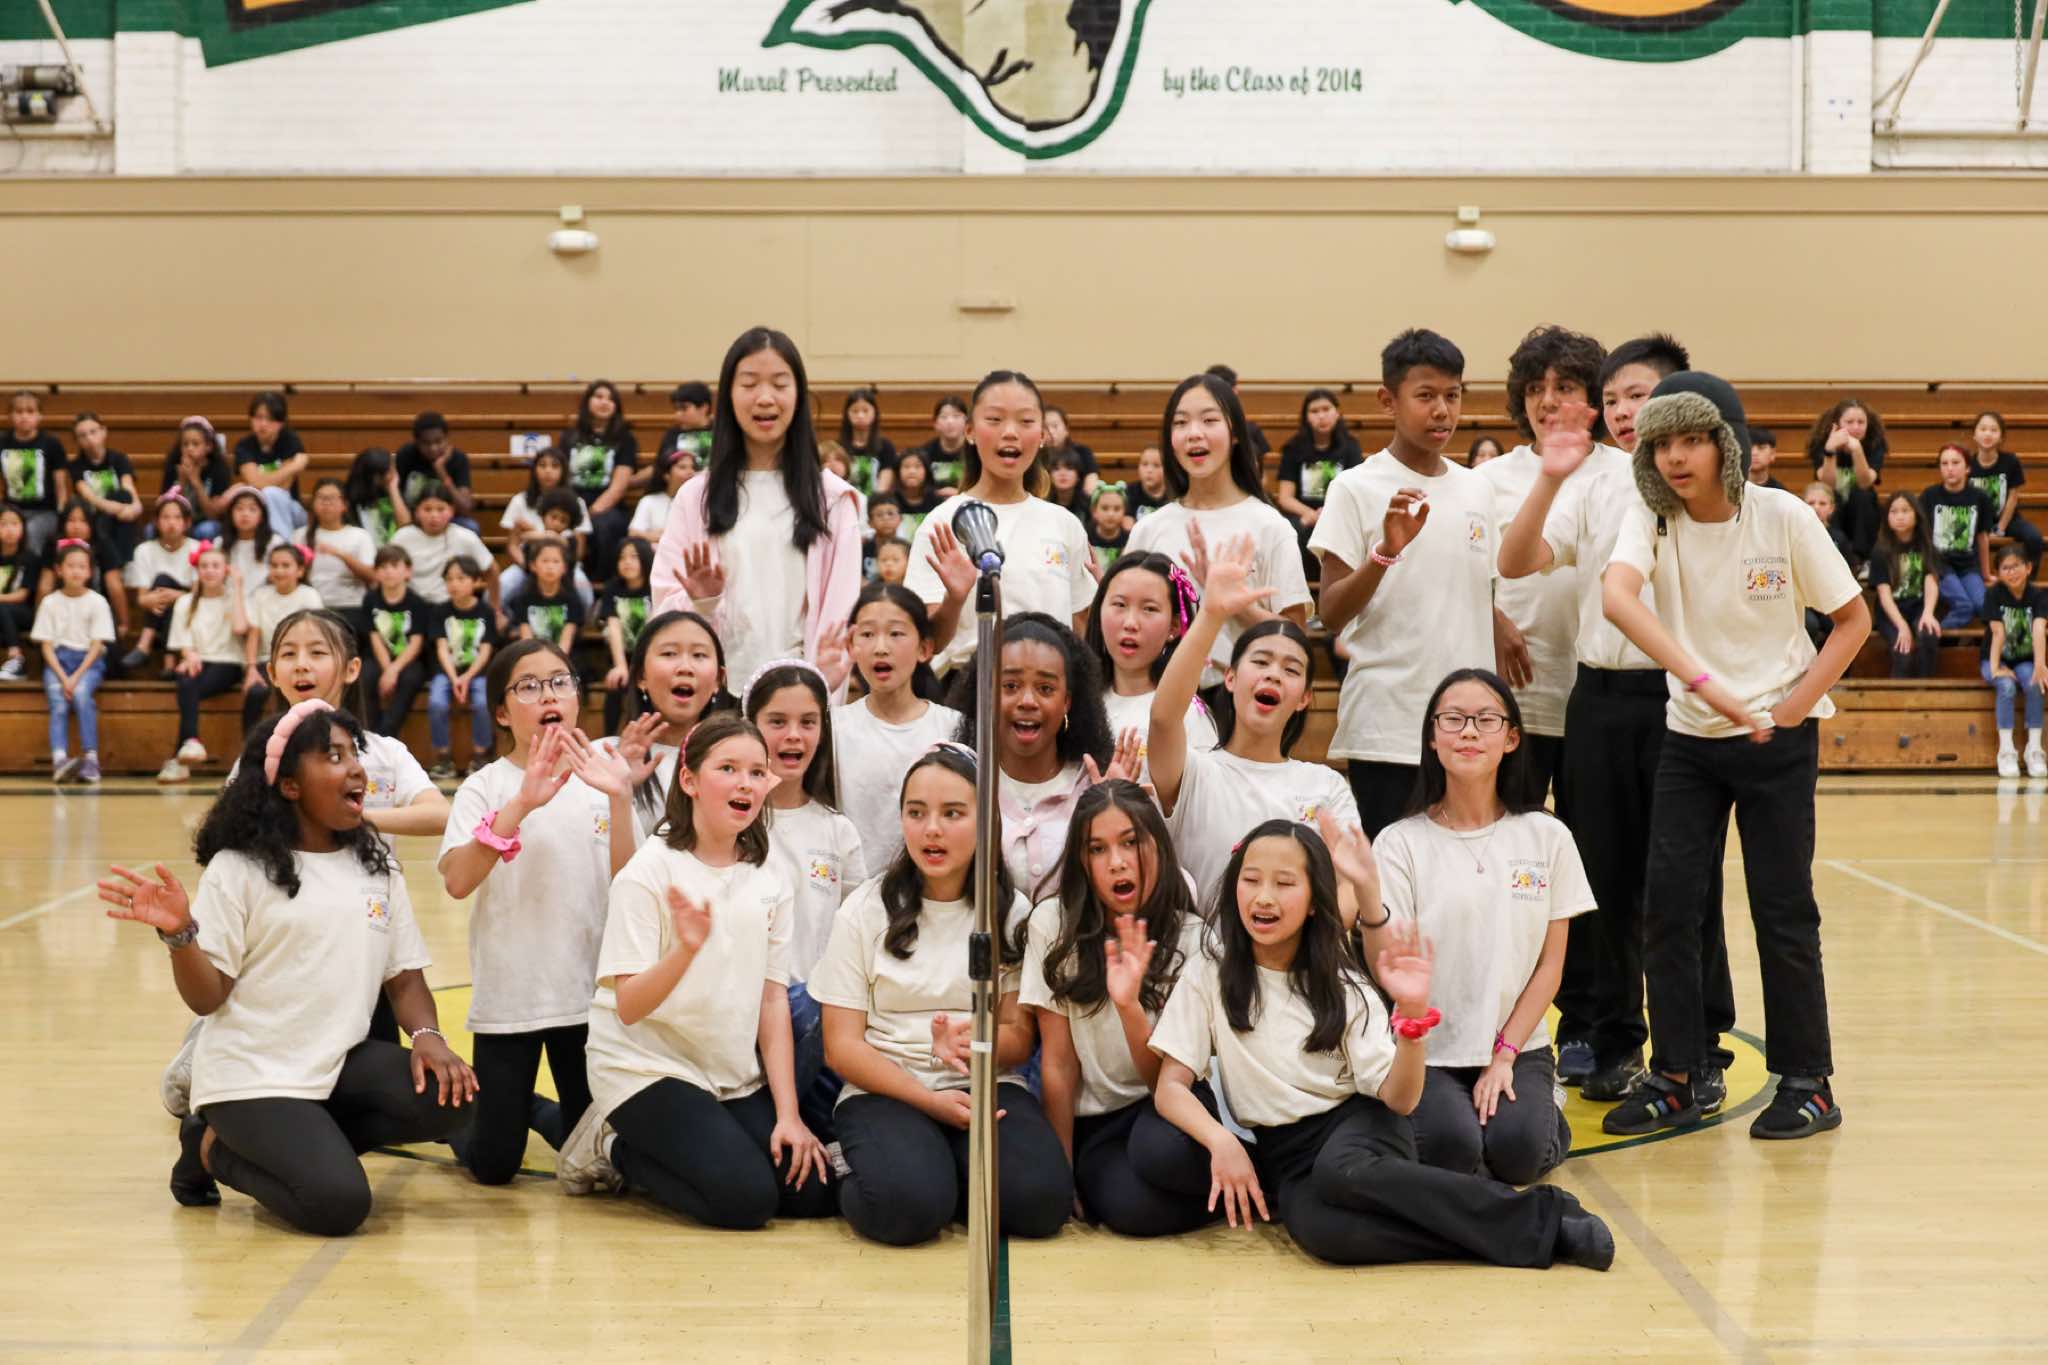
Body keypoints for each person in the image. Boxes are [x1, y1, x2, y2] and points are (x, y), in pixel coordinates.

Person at [1148, 819, 1613, 1270]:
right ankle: (1507, 1231)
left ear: (1314, 903)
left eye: (1284, 883)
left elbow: (1401, 1099)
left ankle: (1544, 1217)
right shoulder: (1209, 971)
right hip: (1285, 1152)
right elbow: (1170, 1087)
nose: (1264, 896)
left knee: (1340, 1169)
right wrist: (1220, 1140)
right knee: (1322, 1234)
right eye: (1251, 880)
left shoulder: (1340, 981)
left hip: (1360, 1124)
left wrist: (1411, 1021)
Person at [1601, 372, 1867, 1141]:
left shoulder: (1783, 515)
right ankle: (1677, 1076)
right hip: (1691, 738)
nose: (1676, 457)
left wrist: (1792, 707)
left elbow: (1851, 620)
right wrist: (1704, 685)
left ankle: (1809, 1082)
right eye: (1663, 442)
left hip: (1777, 741)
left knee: (1783, 909)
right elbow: (1618, 596)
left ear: (1727, 444)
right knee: (1668, 907)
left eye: (1692, 439)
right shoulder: (1652, 517)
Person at [99, 703, 475, 1234]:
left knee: (452, 1096)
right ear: (291, 786)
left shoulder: (374, 863)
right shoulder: (238, 868)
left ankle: (304, 1144)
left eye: (354, 754)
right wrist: (180, 934)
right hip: (251, 1076)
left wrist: (430, 1038)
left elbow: (405, 978)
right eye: (334, 757)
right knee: (339, 1204)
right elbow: (208, 997)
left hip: (335, 1062)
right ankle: (210, 1148)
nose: (356, 768)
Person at [1496, 332, 1737, 1103]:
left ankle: (1698, 1043)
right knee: (1599, 873)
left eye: (1640, 396)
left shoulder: (1709, 488)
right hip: (1597, 697)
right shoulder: (1592, 484)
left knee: (1682, 879)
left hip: (1679, 698)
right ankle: (1610, 1036)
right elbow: (1515, 560)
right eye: (1612, 400)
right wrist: (1548, 477)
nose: (1624, 411)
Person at [556, 714, 836, 1225]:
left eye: (756, 772)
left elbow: (772, 1000)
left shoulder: (771, 875)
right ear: (689, 780)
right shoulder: (648, 871)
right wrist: (685, 951)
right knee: (746, 1200)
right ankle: (609, 1144)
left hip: (728, 1073)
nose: (745, 783)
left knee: (810, 1191)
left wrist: (789, 1116)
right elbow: (629, 1006)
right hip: (644, 1067)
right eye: (728, 769)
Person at [808, 744, 1072, 1245]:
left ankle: (937, 1163)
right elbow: (840, 1047)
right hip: (888, 1088)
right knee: (907, 1209)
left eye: (952, 814)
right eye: (917, 813)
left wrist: (974, 1039)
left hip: (985, 1086)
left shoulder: (1011, 912)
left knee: (1040, 1204)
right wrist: (929, 1102)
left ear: (985, 822)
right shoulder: (864, 910)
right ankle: (866, 1163)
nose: (932, 829)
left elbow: (1020, 1038)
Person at [1351, 670, 1592, 1185]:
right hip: (1428, 1049)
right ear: (1432, 738)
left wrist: (1505, 1055)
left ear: (1511, 738)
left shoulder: (1547, 835)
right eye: (1453, 719)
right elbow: (1385, 962)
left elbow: (1551, 967)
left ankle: (1544, 1106)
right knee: (1451, 1152)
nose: (1468, 731)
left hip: (1517, 1044)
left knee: (1519, 1154)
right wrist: (1367, 900)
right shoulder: (1399, 842)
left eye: (1485, 720)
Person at [439, 640, 635, 1185]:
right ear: (502, 713)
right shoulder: (484, 786)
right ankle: (452, 1114)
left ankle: (530, 1107)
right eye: (528, 686)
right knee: (493, 1166)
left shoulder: (605, 778)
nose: (548, 695)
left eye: (559, 682)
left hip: (588, 998)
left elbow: (630, 885)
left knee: (592, 1160)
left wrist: (621, 799)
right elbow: (457, 880)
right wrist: (522, 804)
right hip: (512, 997)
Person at [1310, 329, 1502, 835]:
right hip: (1388, 725)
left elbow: (1477, 591)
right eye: (1426, 396)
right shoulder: (1354, 487)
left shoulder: (1478, 489)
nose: (1442, 410)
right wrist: (1385, 553)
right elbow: (1331, 611)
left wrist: (1501, 631)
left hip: (1469, 726)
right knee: (1390, 874)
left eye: (1452, 395)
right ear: (1387, 400)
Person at [1023, 780, 1217, 1236]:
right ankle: (1236, 1190)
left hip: (1172, 1100)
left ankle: (1244, 1171)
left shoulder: (1193, 938)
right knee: (1131, 1211)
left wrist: (1129, 1008)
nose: (1117, 862)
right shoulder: (1053, 925)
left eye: (1130, 842)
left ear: (1158, 847)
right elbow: (1059, 1063)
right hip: (1098, 1121)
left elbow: (1163, 1083)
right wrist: (1062, 1169)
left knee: (1162, 1154)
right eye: (1098, 849)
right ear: (1082, 862)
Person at [651, 327, 864, 690]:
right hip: (715, 696)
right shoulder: (695, 498)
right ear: (728, 395)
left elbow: (839, 620)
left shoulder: (832, 499)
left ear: (798, 395)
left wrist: (817, 696)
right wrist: (701, 601)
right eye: (749, 384)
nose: (765, 398)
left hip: (800, 697)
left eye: (779, 384)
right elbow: (664, 610)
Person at [1149, 536, 1357, 904]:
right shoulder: (1194, 771)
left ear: (1304, 698)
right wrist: (1212, 614)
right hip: (1203, 941)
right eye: (1260, 662)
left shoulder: (1326, 785)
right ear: (1230, 678)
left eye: (1291, 669)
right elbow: (1164, 718)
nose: (1273, 674)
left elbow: (1349, 889)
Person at [1481, 324, 1609, 806]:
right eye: (1535, 388)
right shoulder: (1488, 479)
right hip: (1521, 694)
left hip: (1599, 699)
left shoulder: (1624, 475)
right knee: (1512, 831)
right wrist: (1490, 618)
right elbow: (1457, 573)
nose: (1548, 401)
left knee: (1592, 839)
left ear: (1593, 398)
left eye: (1565, 387)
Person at [901, 370, 1094, 676]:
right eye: (994, 419)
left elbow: (1082, 627)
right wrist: (955, 599)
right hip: (968, 684)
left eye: (1026, 421)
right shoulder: (942, 523)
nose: (1010, 432)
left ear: (1042, 435)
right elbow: (928, 643)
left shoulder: (1064, 524)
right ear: (970, 431)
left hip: (1050, 686)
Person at [745, 661, 867, 1139]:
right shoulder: (732, 819)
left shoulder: (837, 829)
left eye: (808, 722)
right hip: (744, 1009)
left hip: (815, 1021)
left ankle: (783, 1127)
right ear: (751, 725)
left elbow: (857, 933)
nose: (793, 735)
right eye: (777, 721)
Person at [1126, 372, 1311, 686]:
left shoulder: (1270, 526)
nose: (1194, 433)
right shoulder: (1149, 529)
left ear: (1235, 433)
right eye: (1180, 423)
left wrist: (1239, 606)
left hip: (1240, 699)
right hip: (1159, 696)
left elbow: (1296, 638)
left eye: (1209, 420)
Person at [946, 611, 1128, 899]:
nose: (1028, 701)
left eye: (1045, 689)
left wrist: (1121, 811)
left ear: (1067, 702)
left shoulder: (1096, 783)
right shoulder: (961, 783)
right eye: (1010, 686)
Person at [831, 582, 962, 869]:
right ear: (851, 646)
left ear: (924, 648)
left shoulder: (953, 727)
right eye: (867, 634)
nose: (881, 648)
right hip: (855, 889)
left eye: (896, 634)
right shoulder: (834, 727)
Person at [603, 609, 739, 839]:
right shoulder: (604, 757)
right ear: (641, 676)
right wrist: (622, 786)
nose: (685, 667)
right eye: (669, 653)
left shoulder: (740, 762)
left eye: (699, 655)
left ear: (719, 678)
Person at [1083, 551, 1217, 782]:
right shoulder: (1077, 701)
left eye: (1149, 609)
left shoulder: (1187, 713)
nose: (1130, 623)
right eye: (1119, 604)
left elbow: (1203, 797)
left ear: (1174, 626)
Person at [160, 542, 250, 784]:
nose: (209, 570)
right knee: (186, 680)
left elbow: (240, 628)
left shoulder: (235, 598)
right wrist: (189, 654)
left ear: (226, 570)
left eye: (216, 566)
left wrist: (238, 586)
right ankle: (191, 743)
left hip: (228, 662)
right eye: (204, 566)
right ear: (197, 570)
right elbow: (181, 640)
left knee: (188, 687)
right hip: (198, 661)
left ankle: (180, 757)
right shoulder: (185, 602)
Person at [33, 538, 115, 784]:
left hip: (87, 663)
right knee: (58, 701)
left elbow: (97, 645)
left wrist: (76, 677)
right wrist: (63, 676)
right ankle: (60, 760)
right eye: (70, 566)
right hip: (58, 662)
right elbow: (46, 646)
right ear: (59, 570)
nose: (76, 571)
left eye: (82, 566)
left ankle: (91, 759)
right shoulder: (50, 602)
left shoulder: (98, 602)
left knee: (81, 695)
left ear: (89, 571)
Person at [1275, 388, 1364, 575]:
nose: (1321, 416)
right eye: (1314, 411)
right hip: (1304, 516)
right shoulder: (1293, 448)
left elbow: (1356, 491)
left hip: (1340, 513)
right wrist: (1310, 514)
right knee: (1292, 530)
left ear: (1337, 413)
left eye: (1326, 409)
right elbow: (1285, 497)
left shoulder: (1351, 447)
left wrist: (1329, 513)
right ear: (1306, 417)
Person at [1980, 543, 2048, 778]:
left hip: (2024, 659)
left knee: (2035, 683)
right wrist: (1995, 668)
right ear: (1998, 573)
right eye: (2005, 568)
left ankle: (2034, 750)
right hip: (1994, 657)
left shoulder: (2039, 596)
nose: (2011, 572)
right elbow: (1997, 632)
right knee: (2006, 686)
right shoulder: (1993, 594)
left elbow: (2039, 628)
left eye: (2016, 566)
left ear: (2028, 568)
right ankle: (2007, 751)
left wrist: (2040, 665)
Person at [428, 556, 500, 777]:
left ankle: (480, 755)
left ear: (476, 581)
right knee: (436, 703)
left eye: (461, 578)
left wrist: (467, 677)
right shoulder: (440, 611)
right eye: (449, 579)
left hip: (478, 672)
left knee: (482, 703)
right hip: (447, 672)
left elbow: (486, 651)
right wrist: (455, 678)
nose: (454, 584)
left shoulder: (486, 611)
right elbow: (442, 648)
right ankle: (443, 758)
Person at [559, 379, 637, 580]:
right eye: (599, 397)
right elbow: (561, 476)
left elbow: (619, 486)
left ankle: (602, 584)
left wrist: (591, 512)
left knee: (604, 526)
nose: (604, 402)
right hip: (573, 501)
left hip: (607, 504)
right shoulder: (569, 436)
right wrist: (575, 509)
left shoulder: (625, 439)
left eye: (610, 399)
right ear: (587, 402)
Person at [240, 543, 323, 732]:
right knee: (255, 692)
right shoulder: (260, 595)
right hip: (267, 661)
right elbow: (254, 633)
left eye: (286, 565)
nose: (279, 570)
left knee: (293, 694)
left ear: (300, 570)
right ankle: (250, 745)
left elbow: (315, 635)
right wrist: (251, 669)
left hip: (299, 661)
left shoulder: (309, 596)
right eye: (274, 565)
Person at [500, 447, 595, 610]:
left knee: (585, 593)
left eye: (555, 466)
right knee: (500, 588)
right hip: (526, 564)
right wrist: (529, 566)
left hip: (565, 567)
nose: (548, 471)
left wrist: (557, 567)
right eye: (542, 465)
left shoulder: (577, 503)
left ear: (563, 471)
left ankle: (578, 623)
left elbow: (578, 551)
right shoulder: (519, 501)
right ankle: (509, 622)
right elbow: (513, 545)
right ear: (534, 469)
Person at [123, 491, 200, 674]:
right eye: (165, 517)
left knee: (166, 587)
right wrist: (158, 598)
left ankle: (145, 644)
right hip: (157, 609)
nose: (171, 523)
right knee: (162, 581)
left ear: (187, 522)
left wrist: (179, 596)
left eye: (177, 517)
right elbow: (141, 599)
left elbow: (200, 596)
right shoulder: (144, 550)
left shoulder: (197, 548)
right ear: (156, 522)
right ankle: (168, 661)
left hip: (190, 611)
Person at [1868, 492, 1942, 680]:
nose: (1899, 516)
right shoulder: (1880, 551)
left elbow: (1931, 581)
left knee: (1928, 634)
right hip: (1890, 613)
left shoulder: (1926, 546)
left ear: (1916, 515)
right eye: (1894, 512)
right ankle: (1898, 697)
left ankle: (1926, 689)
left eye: (1905, 511)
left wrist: (1928, 613)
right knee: (1903, 651)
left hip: (1918, 607)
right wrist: (1901, 625)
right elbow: (1884, 594)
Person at [1923, 442, 1998, 628]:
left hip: (1968, 566)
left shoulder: (1980, 497)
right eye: (1944, 463)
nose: (1950, 468)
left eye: (1955, 463)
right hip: (1940, 565)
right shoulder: (1930, 496)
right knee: (1964, 606)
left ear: (1967, 468)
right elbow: (1921, 535)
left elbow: (1982, 537)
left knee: (1983, 606)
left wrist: (1986, 573)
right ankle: (1931, 636)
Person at [363, 544, 432, 736]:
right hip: (379, 657)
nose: (388, 571)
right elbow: (374, 637)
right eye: (383, 567)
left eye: (394, 566)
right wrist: (387, 668)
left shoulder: (417, 603)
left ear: (407, 571)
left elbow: (416, 643)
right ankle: (370, 733)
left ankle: (387, 733)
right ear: (376, 572)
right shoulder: (370, 599)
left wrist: (394, 670)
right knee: (365, 676)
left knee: (411, 678)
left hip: (408, 660)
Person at [1804, 397, 1886, 559]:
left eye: (1861, 422)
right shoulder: (1821, 441)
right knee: (1830, 500)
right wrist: (1830, 450)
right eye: (1849, 422)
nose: (1856, 427)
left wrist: (1857, 450)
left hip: (1861, 508)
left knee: (1863, 495)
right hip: (1834, 503)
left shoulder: (1875, 443)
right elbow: (1827, 484)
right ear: (1837, 424)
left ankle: (1861, 558)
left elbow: (1865, 483)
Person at [389, 483, 493, 610]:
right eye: (427, 509)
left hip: (450, 607)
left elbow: (492, 569)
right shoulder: (402, 537)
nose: (434, 515)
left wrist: (496, 608)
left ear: (451, 511)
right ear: (417, 512)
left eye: (441, 509)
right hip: (411, 607)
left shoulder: (465, 537)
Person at [596, 536, 655, 734]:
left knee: (645, 686)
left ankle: (645, 736)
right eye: (622, 557)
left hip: (649, 656)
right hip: (621, 655)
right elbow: (613, 627)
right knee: (616, 682)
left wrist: (639, 667)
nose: (627, 562)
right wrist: (621, 666)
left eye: (633, 556)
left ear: (645, 558)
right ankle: (608, 737)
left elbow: (653, 630)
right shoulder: (612, 589)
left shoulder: (654, 587)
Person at [296, 479, 378, 617]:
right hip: (311, 606)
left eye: (332, 498)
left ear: (344, 505)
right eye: (321, 498)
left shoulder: (360, 535)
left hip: (351, 606)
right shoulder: (299, 535)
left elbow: (372, 577)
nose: (326, 503)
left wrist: (341, 555)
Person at [4, 388, 71, 555]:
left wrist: (62, 515)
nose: (24, 416)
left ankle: (29, 570)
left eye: (30, 411)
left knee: (31, 531)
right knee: (9, 530)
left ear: (39, 415)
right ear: (10, 416)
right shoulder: (2, 442)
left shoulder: (51, 443)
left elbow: (60, 486)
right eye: (19, 412)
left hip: (45, 511)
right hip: (11, 510)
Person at [1968, 411, 2041, 564]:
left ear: (2001, 437)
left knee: (2033, 537)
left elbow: (2013, 498)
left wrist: (2000, 528)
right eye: (1983, 429)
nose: (1988, 434)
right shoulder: (1967, 464)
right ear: (1974, 435)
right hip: (1977, 522)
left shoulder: (2010, 461)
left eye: (1994, 430)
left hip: (2008, 520)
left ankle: (2028, 577)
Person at [68, 411, 144, 559]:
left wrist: (135, 507)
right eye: (83, 435)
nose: (89, 438)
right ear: (77, 441)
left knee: (123, 495)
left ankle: (124, 561)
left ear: (104, 431)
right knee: (112, 510)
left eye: (93, 432)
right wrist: (120, 509)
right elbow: (91, 498)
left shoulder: (119, 459)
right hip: (94, 517)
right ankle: (118, 561)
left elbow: (129, 489)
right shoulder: (76, 466)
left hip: (118, 517)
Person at [233, 391, 310, 534]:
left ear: (281, 423)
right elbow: (255, 483)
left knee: (272, 494)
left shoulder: (290, 440)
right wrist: (293, 467)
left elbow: (284, 487)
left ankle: (281, 543)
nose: (263, 424)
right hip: (256, 508)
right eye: (258, 417)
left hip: (290, 508)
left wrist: (262, 480)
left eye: (270, 419)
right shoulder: (244, 446)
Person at [394, 412, 477, 527]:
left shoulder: (458, 459)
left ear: (447, 438)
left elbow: (465, 508)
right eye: (426, 443)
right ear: (416, 442)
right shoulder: (405, 455)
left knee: (470, 526)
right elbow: (396, 496)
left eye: (438, 441)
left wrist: (442, 473)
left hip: (447, 519)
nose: (433, 448)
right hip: (412, 517)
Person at [159, 416, 233, 538]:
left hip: (207, 522)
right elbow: (165, 508)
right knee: (151, 529)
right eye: (185, 444)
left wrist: (196, 482)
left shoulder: (219, 469)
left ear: (208, 446)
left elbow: (213, 515)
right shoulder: (173, 467)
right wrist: (181, 482)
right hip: (179, 521)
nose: (190, 448)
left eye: (195, 444)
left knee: (206, 530)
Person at [506, 537, 581, 649]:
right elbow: (527, 640)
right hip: (532, 654)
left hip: (563, 656)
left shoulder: (572, 600)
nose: (550, 567)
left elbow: (566, 642)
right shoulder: (523, 599)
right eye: (545, 561)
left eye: (556, 561)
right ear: (533, 566)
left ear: (564, 568)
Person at [217, 484, 281, 615]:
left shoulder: (274, 543)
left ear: (262, 516)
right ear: (231, 514)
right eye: (239, 508)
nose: (245, 514)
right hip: (229, 603)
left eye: (252, 509)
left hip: (265, 603)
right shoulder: (220, 543)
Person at [905, 395, 971, 498]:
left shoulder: (976, 450)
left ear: (966, 422)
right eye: (944, 417)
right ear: (935, 423)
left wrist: (959, 494)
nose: (950, 422)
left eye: (956, 416)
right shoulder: (925, 453)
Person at [342, 446, 411, 544]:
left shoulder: (395, 492)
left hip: (396, 550)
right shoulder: (350, 499)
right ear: (376, 477)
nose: (395, 473)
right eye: (390, 470)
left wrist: (393, 489)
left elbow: (406, 528)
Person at [839, 386, 898, 496]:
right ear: (847, 414)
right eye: (855, 411)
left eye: (865, 411)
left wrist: (873, 502)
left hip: (875, 502)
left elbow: (885, 483)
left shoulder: (885, 446)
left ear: (875, 413)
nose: (860, 415)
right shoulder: (839, 446)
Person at [0, 507, 36, 681]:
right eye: (3, 524)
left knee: (2, 608)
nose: (9, 530)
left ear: (23, 528)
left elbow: (22, 595)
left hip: (23, 613)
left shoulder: (29, 558)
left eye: (14, 524)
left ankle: (16, 659)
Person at [629, 445, 693, 542]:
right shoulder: (649, 501)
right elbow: (633, 532)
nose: (690, 472)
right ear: (666, 475)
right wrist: (653, 537)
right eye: (682, 467)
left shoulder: (699, 502)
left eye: (692, 467)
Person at [655, 380, 715, 472]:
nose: (678, 414)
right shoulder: (672, 434)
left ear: (703, 407)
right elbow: (661, 468)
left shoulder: (720, 432)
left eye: (684, 408)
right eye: (676, 409)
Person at [1043, 404, 1100, 492]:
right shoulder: (1035, 455)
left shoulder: (1083, 452)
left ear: (1066, 429)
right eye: (1045, 427)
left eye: (1055, 426)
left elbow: (1091, 485)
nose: (1051, 431)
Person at [890, 447, 944, 538]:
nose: (912, 471)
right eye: (906, 466)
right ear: (898, 472)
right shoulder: (890, 501)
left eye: (918, 466)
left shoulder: (938, 502)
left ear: (927, 471)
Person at [1086, 481, 1130, 574]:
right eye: (1105, 508)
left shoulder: (1129, 540)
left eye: (1117, 509)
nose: (1111, 514)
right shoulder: (1085, 537)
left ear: (1124, 511)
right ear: (1094, 511)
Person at [1126, 444, 1172, 523]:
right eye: (1145, 464)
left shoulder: (1174, 493)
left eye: (1156, 465)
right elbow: (1127, 522)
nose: (1149, 470)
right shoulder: (1130, 491)